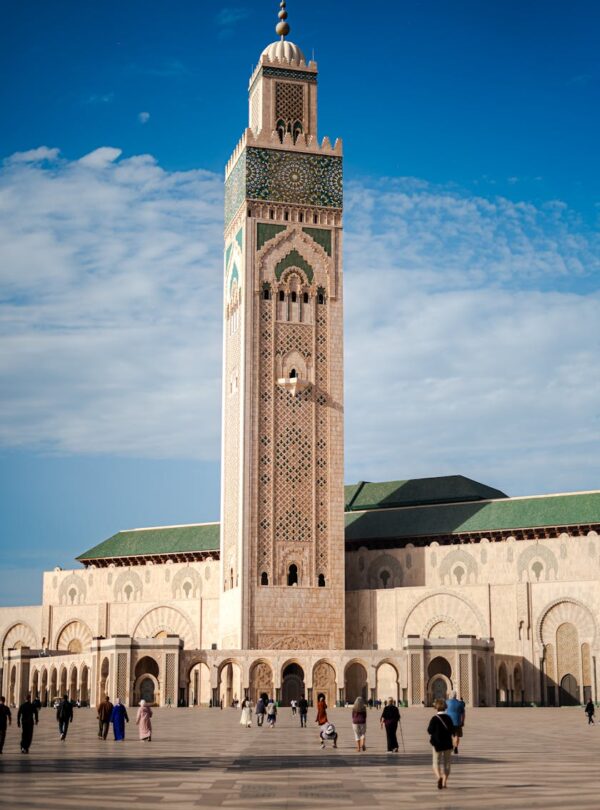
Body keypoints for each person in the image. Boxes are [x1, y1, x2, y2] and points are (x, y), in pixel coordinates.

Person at [427, 698, 455, 790]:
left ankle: (439, 777)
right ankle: (444, 783)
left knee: (436, 762)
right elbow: (452, 730)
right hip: (447, 743)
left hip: (437, 744)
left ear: (436, 707)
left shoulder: (434, 718)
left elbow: (429, 730)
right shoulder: (448, 718)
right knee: (447, 763)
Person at [445, 690, 465, 754]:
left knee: (449, 735)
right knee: (457, 735)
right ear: (456, 696)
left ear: (450, 696)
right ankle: (456, 747)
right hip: (457, 722)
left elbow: (444, 712)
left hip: (449, 722)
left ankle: (451, 746)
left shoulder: (447, 702)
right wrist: (462, 721)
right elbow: (463, 714)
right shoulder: (460, 703)